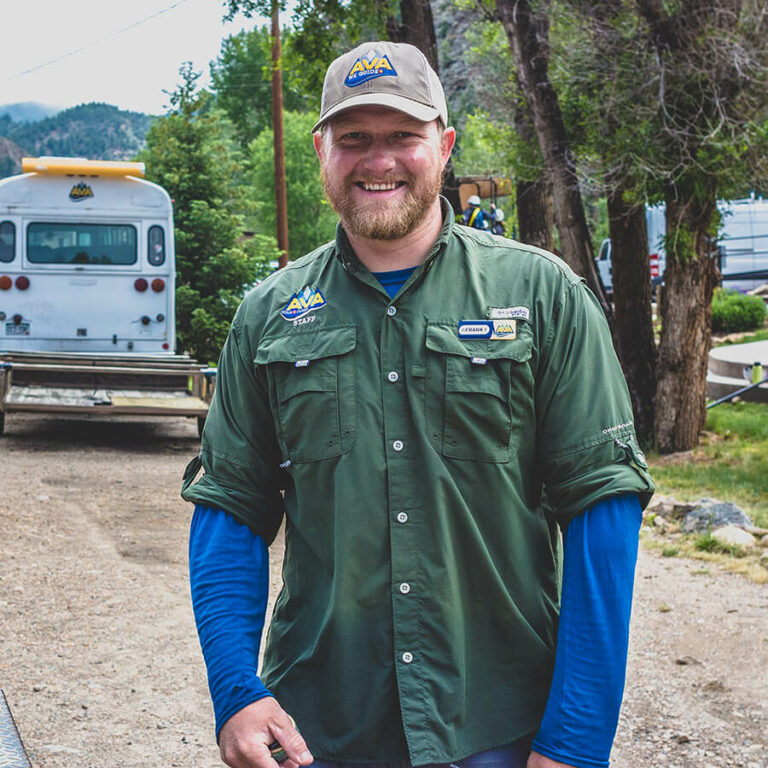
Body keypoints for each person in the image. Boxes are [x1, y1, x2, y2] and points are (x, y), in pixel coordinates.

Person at [182, 40, 654, 768]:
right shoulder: (268, 316)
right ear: (322, 153)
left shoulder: (544, 297)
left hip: (498, 726)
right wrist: (236, 692)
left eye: (403, 135)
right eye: (355, 139)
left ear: (445, 144)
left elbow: (603, 515)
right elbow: (230, 514)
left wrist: (576, 739)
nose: (379, 160)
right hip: (318, 730)